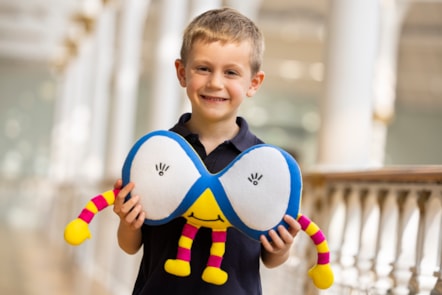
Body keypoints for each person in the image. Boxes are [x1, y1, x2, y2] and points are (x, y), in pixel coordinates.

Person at [113, 7, 301, 295]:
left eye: (231, 73)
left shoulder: (265, 164)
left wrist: (283, 248)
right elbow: (131, 245)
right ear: (182, 73)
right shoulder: (158, 154)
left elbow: (270, 260)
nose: (215, 83)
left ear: (253, 83)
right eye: (203, 68)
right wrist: (128, 221)